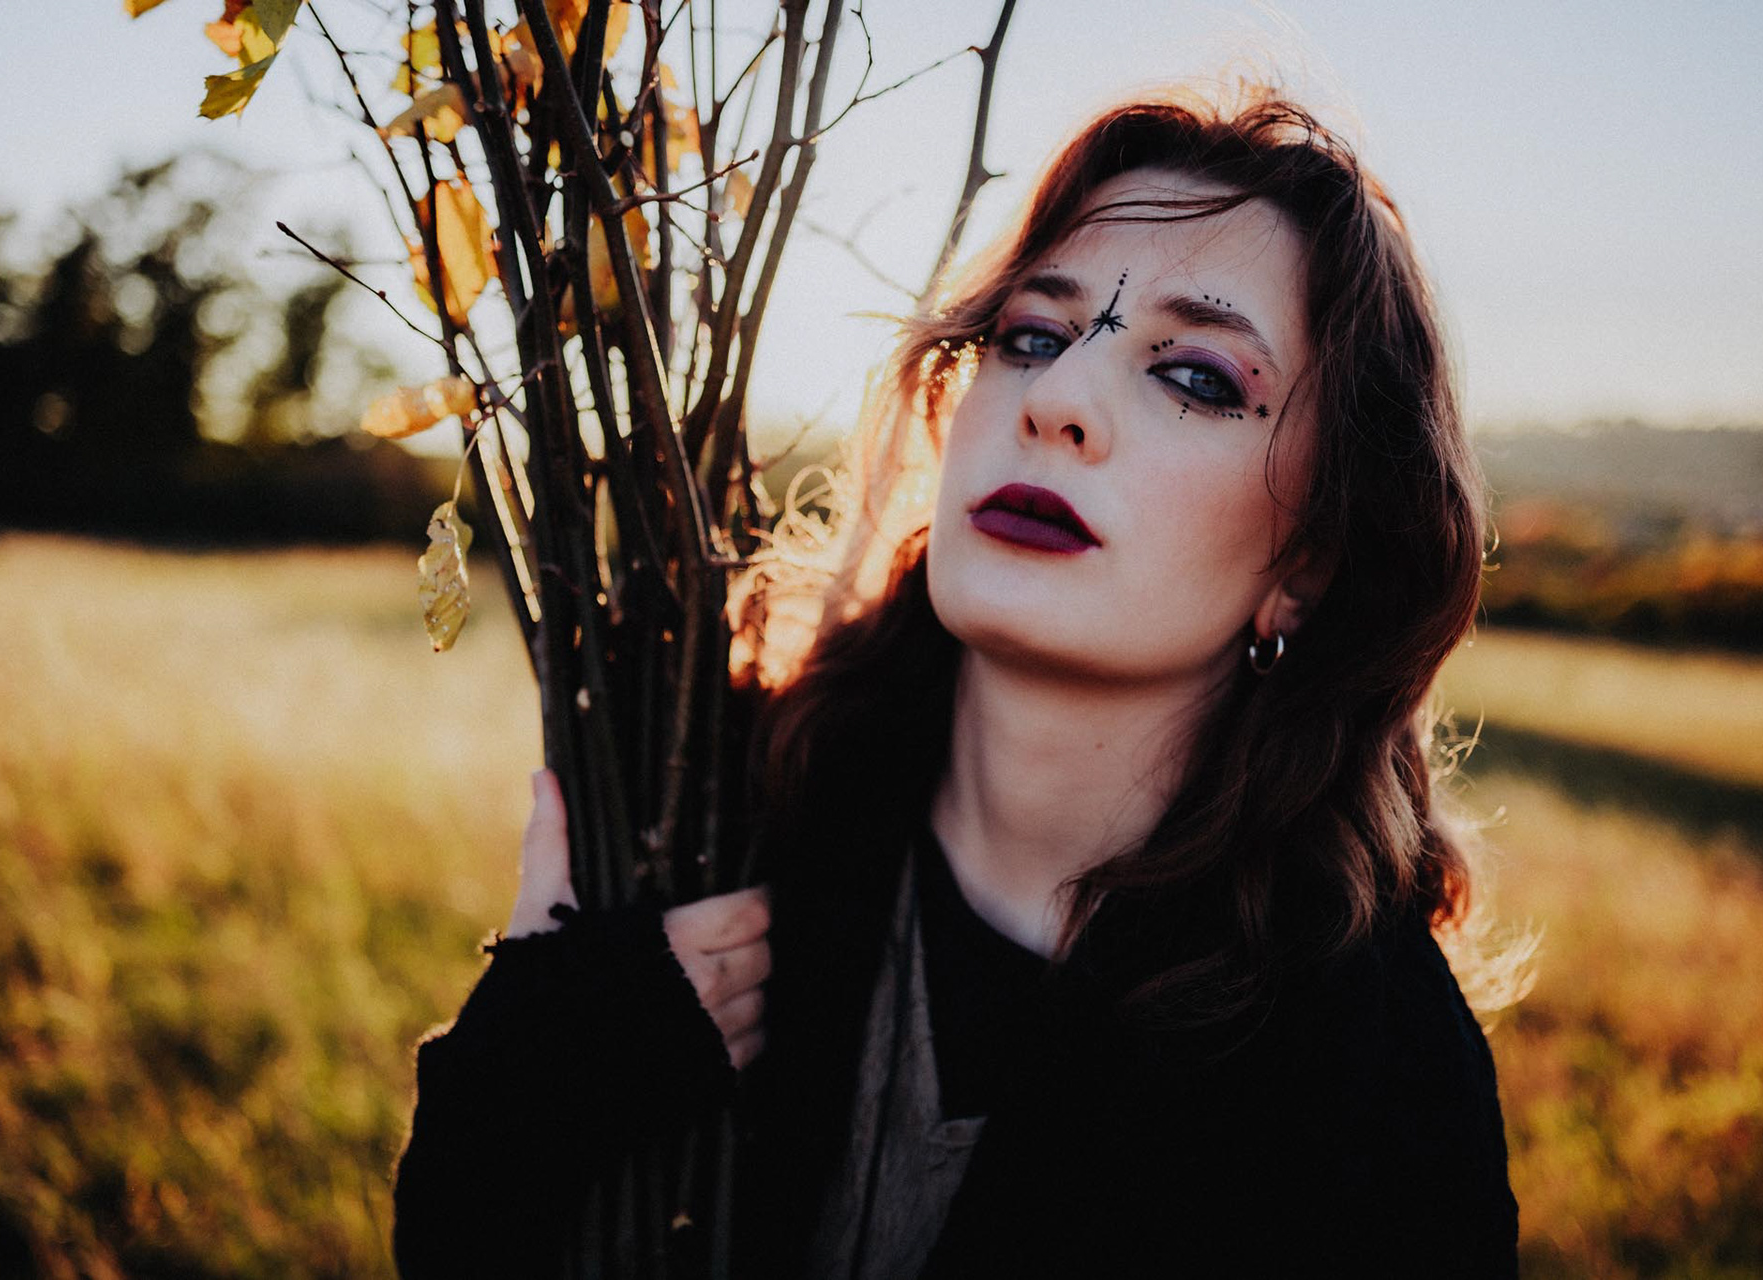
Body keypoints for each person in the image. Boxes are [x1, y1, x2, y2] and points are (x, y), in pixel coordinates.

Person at [390, 83, 1530, 1279]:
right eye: (1031, 336)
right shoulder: (723, 813)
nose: (1058, 400)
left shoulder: (1369, 1079)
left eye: (1195, 376)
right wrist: (524, 1087)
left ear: (1308, 565)